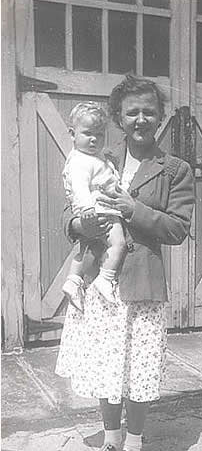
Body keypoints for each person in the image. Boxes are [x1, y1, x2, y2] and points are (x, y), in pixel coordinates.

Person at [56, 75, 195, 451]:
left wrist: (134, 209)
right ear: (118, 117)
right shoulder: (97, 155)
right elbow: (69, 211)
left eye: (149, 111)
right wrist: (82, 221)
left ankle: (133, 448)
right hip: (102, 281)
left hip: (144, 285)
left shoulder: (175, 169)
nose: (141, 119)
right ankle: (111, 442)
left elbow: (177, 229)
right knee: (105, 368)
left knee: (138, 369)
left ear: (161, 117)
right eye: (131, 111)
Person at [62, 102, 127, 309]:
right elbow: (79, 186)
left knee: (87, 247)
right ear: (72, 134)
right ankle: (105, 278)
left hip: (95, 209)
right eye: (87, 133)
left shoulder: (94, 157)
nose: (94, 139)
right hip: (100, 210)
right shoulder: (82, 161)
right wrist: (87, 209)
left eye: (99, 135)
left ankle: (73, 280)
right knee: (118, 244)